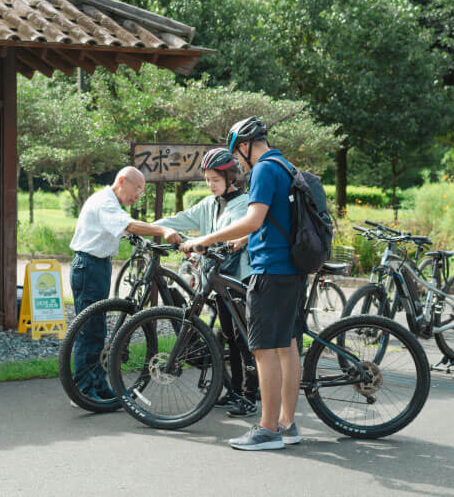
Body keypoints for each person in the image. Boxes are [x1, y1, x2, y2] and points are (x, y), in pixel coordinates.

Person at [181, 117, 304, 451]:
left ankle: (267, 429)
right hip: (293, 268)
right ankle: (287, 425)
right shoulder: (286, 165)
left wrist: (205, 239)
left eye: (238, 152)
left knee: (263, 350)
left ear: (246, 145)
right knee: (288, 347)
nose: (239, 159)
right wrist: (238, 241)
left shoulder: (265, 168)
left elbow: (253, 219)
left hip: (270, 269)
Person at [153, 148, 259, 417]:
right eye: (207, 179)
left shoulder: (244, 203)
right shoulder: (209, 204)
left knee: (243, 337)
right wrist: (151, 228)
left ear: (230, 177)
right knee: (228, 337)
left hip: (239, 277)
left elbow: (236, 233)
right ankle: (235, 390)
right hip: (218, 280)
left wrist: (205, 243)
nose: (210, 184)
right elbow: (180, 219)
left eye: (215, 179)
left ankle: (250, 396)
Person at [69, 166, 181, 401]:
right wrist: (162, 230)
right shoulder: (105, 202)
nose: (138, 195)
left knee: (97, 329)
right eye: (137, 188)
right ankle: (83, 390)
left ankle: (98, 385)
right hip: (89, 266)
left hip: (96, 266)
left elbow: (126, 230)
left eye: (142, 191)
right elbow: (128, 225)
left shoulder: (109, 202)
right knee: (90, 331)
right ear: (122, 181)